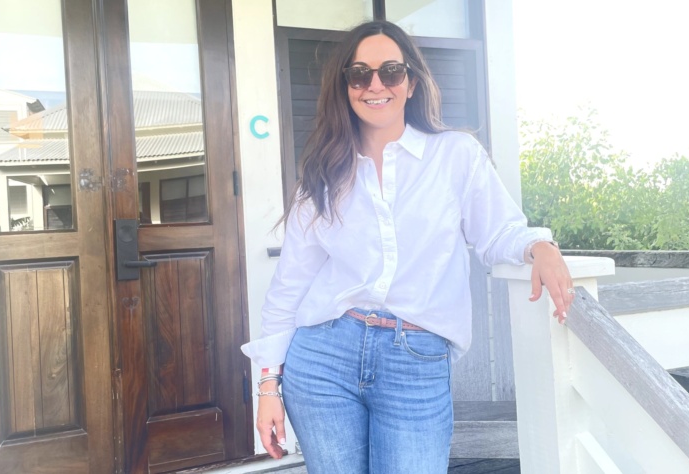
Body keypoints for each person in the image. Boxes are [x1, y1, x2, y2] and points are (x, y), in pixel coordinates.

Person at [241, 20, 574, 474]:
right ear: (345, 87)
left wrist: (540, 246)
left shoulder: (455, 155)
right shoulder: (324, 173)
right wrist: (268, 387)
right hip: (323, 359)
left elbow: (498, 232)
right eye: (360, 74)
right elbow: (289, 286)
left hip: (415, 360)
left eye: (390, 71)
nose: (375, 85)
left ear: (411, 82)